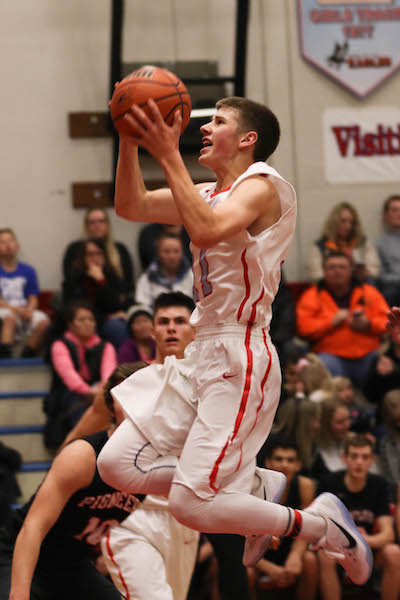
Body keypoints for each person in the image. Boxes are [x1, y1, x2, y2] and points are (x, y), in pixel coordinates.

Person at [98, 94, 372, 585]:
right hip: (202, 350)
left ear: (248, 140)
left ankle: (322, 525)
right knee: (116, 464)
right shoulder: (203, 192)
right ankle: (253, 485)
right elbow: (129, 204)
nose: (205, 127)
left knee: (188, 503)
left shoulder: (264, 185)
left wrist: (165, 152)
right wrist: (126, 138)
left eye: (218, 121)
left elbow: (206, 232)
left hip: (240, 352)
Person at [64, 292, 251, 600]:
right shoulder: (130, 381)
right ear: (152, 332)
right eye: (163, 322)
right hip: (131, 514)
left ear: (195, 329)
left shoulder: (213, 384)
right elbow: (75, 446)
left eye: (180, 321)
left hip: (186, 516)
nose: (171, 329)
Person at [0, 363, 146, 600]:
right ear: (110, 408)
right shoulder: (83, 456)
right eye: (124, 397)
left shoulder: (154, 460)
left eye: (141, 395)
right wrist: (19, 593)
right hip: (20, 554)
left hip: (72, 563)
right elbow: (32, 528)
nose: (133, 405)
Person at [317, 434, 400, 600]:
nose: (359, 462)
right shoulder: (329, 483)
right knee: (324, 556)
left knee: (394, 552)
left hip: (370, 549)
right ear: (344, 458)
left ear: (372, 460)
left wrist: (364, 541)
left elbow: (388, 534)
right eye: (354, 456)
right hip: (337, 549)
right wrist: (352, 538)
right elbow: (319, 529)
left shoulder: (379, 485)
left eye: (365, 457)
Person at [297, 251, 389, 386]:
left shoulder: (369, 292)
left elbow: (389, 324)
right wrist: (331, 323)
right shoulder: (311, 296)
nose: (337, 271)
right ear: (324, 270)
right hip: (330, 357)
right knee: (322, 364)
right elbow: (303, 329)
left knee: (386, 363)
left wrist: (368, 324)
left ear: (351, 270)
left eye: (342, 267)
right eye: (332, 267)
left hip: (368, 355)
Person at [44, 300, 117, 448]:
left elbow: (108, 376)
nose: (88, 324)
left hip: (100, 393)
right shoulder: (60, 345)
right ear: (70, 324)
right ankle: (85, 447)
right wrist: (92, 393)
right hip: (69, 396)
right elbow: (70, 378)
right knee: (77, 401)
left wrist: (100, 393)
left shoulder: (105, 346)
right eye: (82, 320)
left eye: (91, 319)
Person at [252, 441, 318, 600]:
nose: (284, 465)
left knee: (309, 560)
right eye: (279, 459)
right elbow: (240, 541)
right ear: (268, 463)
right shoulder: (253, 487)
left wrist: (295, 556)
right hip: (257, 550)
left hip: (289, 545)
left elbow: (306, 528)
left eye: (290, 460)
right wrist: (269, 568)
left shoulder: (305, 486)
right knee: (244, 571)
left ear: (299, 465)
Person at [62, 238, 132, 348]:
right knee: (86, 325)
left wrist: (101, 281)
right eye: (90, 254)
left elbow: (116, 306)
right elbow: (74, 310)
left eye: (99, 254)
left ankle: (123, 364)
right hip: (83, 321)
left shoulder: (112, 277)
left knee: (117, 326)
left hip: (106, 322)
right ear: (83, 257)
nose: (95, 258)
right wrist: (107, 317)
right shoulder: (74, 279)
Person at [0, 228, 50, 358]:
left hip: (24, 308)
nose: (7, 245)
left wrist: (29, 310)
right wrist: (16, 310)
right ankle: (5, 358)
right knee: (9, 318)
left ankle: (27, 356)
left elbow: (33, 297)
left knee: (44, 322)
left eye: (10, 241)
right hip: (4, 309)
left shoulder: (28, 270)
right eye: (2, 242)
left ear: (17, 245)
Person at [62, 207, 135, 294]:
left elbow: (128, 283)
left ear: (108, 224)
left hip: (115, 299)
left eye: (101, 221)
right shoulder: (75, 250)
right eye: (92, 222)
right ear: (86, 226)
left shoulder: (120, 249)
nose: (97, 225)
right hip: (83, 300)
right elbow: (70, 283)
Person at [307, 201, 380, 283]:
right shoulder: (320, 246)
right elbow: (315, 275)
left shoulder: (362, 243)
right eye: (343, 221)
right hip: (330, 285)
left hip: (359, 284)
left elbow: (374, 269)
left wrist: (364, 272)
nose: (348, 226)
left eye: (351, 222)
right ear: (334, 222)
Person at [135, 232, 194, 308]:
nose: (171, 256)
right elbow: (142, 308)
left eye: (176, 251)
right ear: (158, 253)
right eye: (167, 251)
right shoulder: (147, 278)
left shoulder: (193, 276)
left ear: (182, 252)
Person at [376, 195, 400, 306]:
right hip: (395, 288)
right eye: (394, 210)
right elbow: (381, 275)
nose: (399, 214)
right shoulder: (381, 244)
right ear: (386, 215)